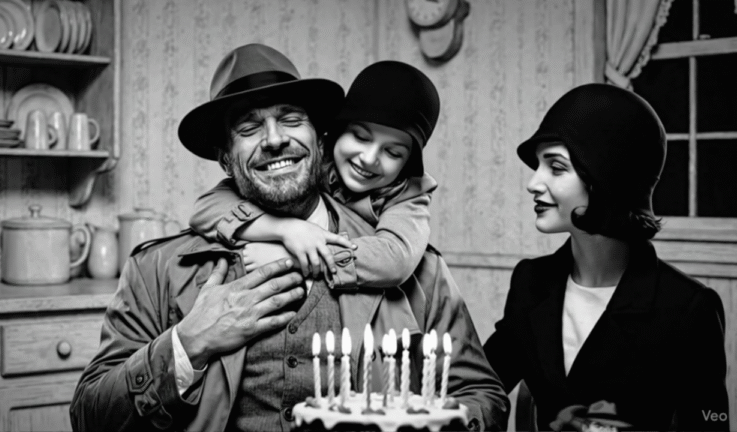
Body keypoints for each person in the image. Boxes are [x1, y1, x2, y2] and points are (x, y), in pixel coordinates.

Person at [70, 43, 509, 432]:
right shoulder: (157, 270)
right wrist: (188, 344)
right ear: (226, 159)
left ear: (320, 140)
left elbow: (484, 397)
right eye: (249, 128)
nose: (275, 139)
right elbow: (90, 418)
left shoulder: (415, 266)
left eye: (290, 119)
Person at [483, 83, 729, 431]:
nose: (533, 183)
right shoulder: (531, 282)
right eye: (538, 165)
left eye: (556, 167)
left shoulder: (689, 309)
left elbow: (710, 424)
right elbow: (481, 385)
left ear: (605, 178)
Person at [189, 60, 440, 290]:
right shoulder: (313, 161)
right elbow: (206, 210)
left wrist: (291, 256)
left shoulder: (409, 195)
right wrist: (286, 230)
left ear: (407, 164)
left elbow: (394, 260)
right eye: (360, 137)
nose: (369, 158)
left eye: (393, 153)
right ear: (332, 135)